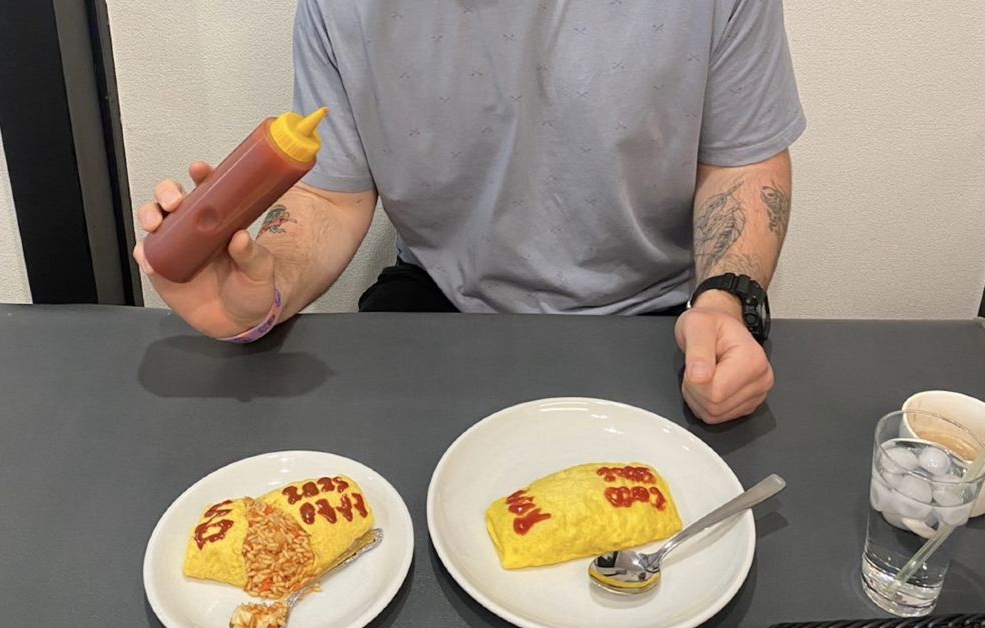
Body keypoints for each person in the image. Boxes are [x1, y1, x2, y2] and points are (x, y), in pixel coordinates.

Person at [134, 0, 804, 424]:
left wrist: (725, 303)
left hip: (654, 315)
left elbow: (742, 161)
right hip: (443, 300)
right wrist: (266, 285)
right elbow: (332, 195)